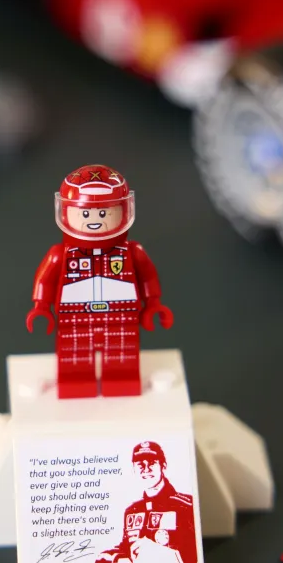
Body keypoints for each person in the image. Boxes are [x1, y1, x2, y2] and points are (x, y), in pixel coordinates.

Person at [26, 164, 173, 399]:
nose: (94, 221)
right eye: (85, 214)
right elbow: (45, 280)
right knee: (74, 361)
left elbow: (148, 275)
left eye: (104, 213)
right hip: (75, 318)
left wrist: (153, 303)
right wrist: (41, 306)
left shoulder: (132, 252)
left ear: (123, 210)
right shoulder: (60, 255)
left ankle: (122, 384)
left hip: (121, 317)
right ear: (66, 212)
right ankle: (75, 385)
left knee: (122, 359)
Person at [90, 441, 199, 563]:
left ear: (163, 466)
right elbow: (128, 548)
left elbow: (203, 551)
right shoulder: (132, 510)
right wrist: (109, 555)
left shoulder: (186, 505)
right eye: (140, 464)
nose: (146, 469)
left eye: (152, 463)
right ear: (133, 468)